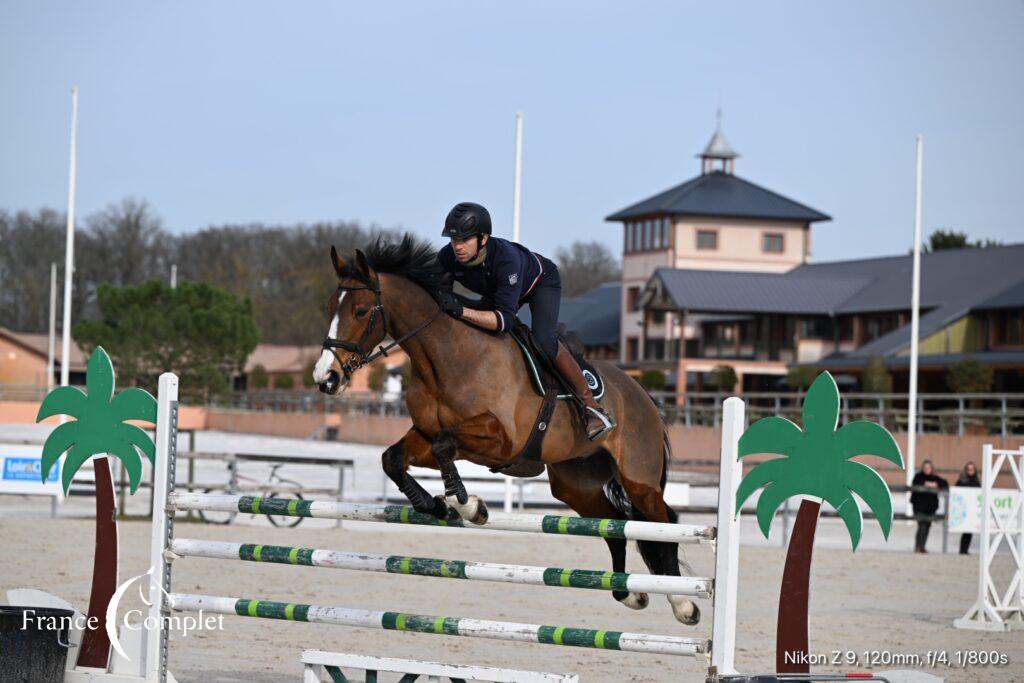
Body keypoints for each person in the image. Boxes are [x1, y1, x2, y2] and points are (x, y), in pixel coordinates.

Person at [433, 201, 616, 441]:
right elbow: (441, 302)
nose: (457, 247)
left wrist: (462, 311)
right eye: (454, 240)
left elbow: (503, 321)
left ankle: (591, 406)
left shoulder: (506, 260)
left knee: (543, 340)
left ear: (483, 238)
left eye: (464, 240)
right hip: (499, 291)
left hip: (541, 283)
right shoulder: (447, 257)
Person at [910, 459, 948, 554]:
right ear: (923, 468)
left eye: (928, 467)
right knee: (922, 526)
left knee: (927, 526)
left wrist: (936, 484)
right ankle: (918, 546)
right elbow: (915, 484)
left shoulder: (935, 478)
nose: (927, 469)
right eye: (925, 467)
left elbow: (945, 483)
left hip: (931, 508)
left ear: (931, 468)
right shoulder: (918, 477)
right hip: (919, 507)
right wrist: (925, 484)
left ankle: (922, 546)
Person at [956, 461, 981, 555]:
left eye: (972, 469)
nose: (970, 471)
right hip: (964, 509)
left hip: (973, 508)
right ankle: (962, 549)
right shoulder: (961, 481)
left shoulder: (977, 482)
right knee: (965, 530)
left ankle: (965, 549)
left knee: (970, 530)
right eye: (968, 469)